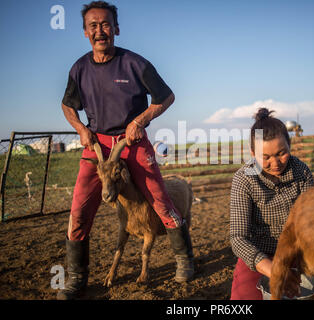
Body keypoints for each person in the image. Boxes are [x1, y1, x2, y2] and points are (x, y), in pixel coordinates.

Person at [57, 1, 194, 300]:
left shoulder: (134, 63)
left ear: (116, 29)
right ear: (85, 32)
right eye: (93, 26)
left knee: (159, 197)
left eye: (105, 24)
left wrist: (141, 120)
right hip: (97, 146)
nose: (99, 30)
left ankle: (184, 260)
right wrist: (81, 129)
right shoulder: (79, 68)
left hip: (132, 141)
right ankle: (77, 277)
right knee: (79, 207)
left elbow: (166, 96)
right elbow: (68, 105)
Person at [229, 108, 314, 300]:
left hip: (296, 251)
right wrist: (274, 270)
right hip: (259, 254)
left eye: (281, 153)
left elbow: (310, 222)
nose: (275, 163)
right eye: (265, 157)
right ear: (253, 153)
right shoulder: (244, 179)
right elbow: (238, 238)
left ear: (289, 145)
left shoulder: (301, 172)